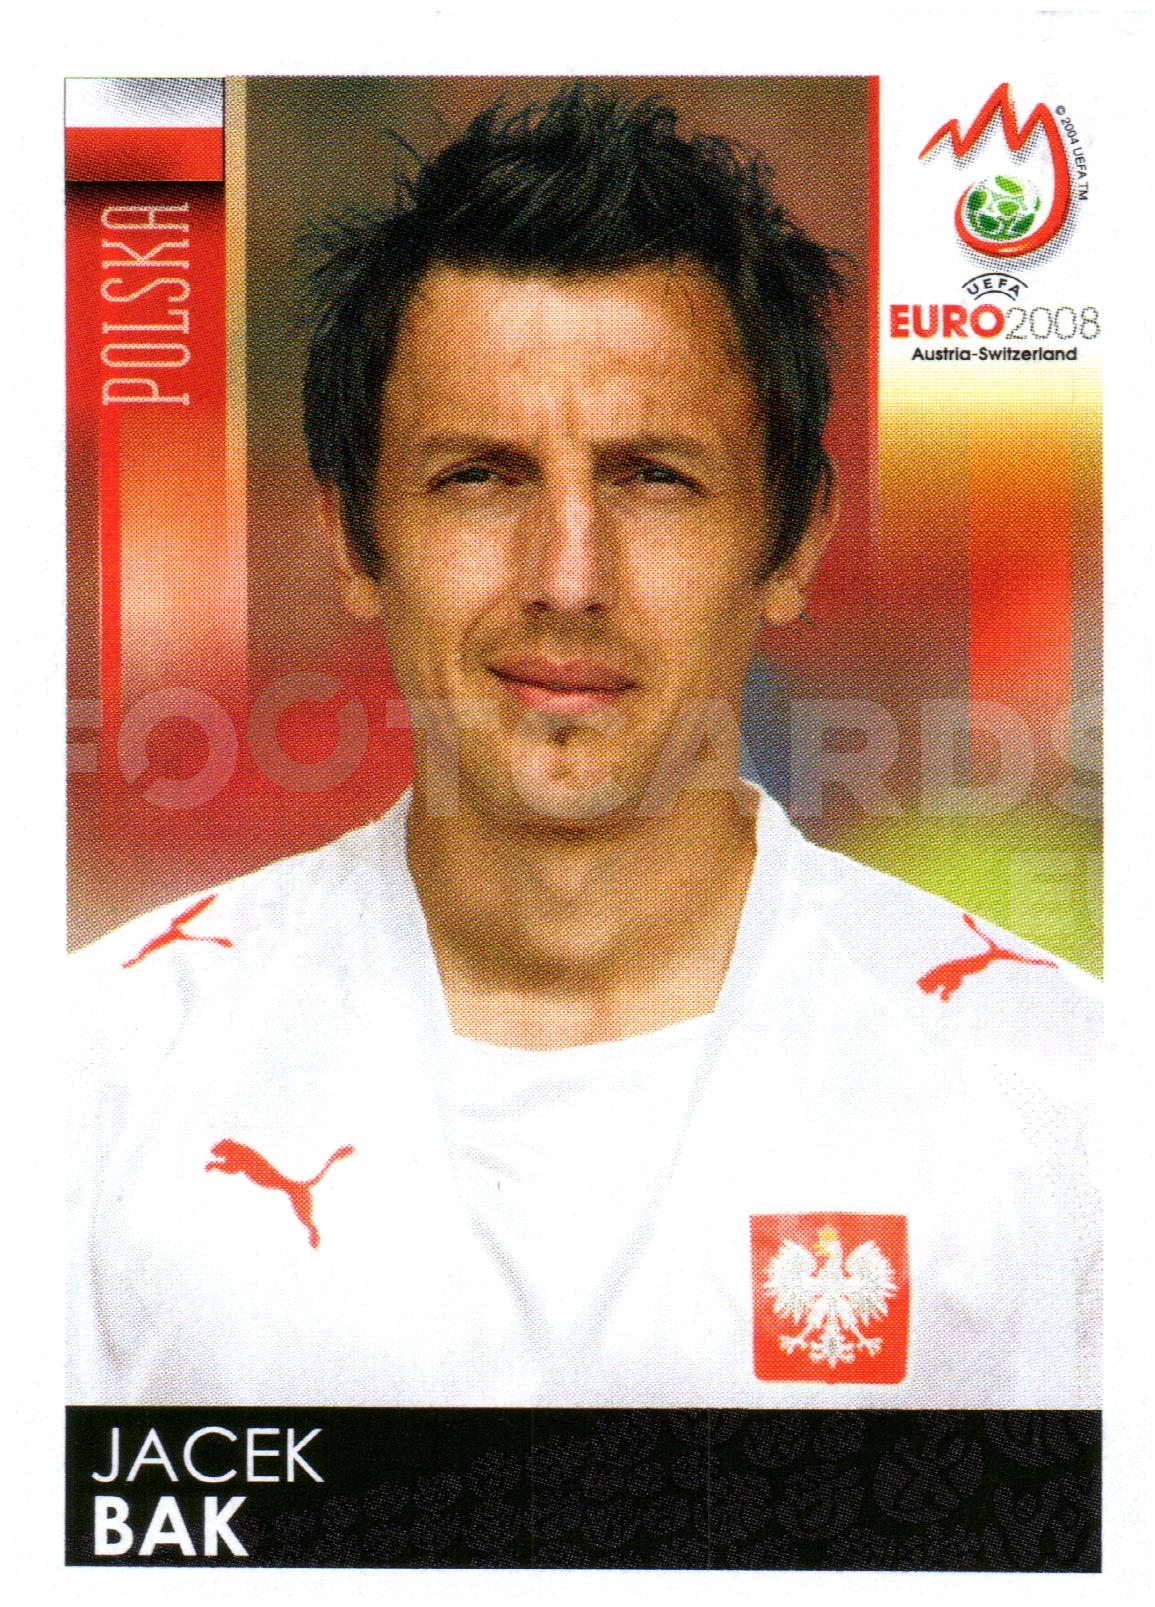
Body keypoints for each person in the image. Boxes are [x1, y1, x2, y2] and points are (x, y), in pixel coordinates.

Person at [69, 86, 1098, 1408]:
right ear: (351, 537)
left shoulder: (1076, 1101)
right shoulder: (86, 1077)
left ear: (793, 539)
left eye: (654, 478)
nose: (568, 578)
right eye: (480, 477)